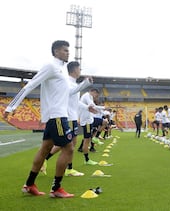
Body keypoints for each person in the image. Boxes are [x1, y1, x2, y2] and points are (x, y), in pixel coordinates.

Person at [3, 40, 74, 197]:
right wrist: (11, 107)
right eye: (64, 50)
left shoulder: (62, 69)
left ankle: (29, 184)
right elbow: (30, 85)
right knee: (68, 148)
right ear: (55, 51)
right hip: (56, 116)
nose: (68, 52)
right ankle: (56, 189)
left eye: (68, 50)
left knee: (45, 149)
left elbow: (64, 93)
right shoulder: (51, 66)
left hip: (55, 116)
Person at [41, 61, 94, 177]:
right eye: (80, 69)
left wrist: (87, 107)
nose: (80, 71)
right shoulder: (67, 82)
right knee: (67, 144)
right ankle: (54, 163)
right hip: (68, 116)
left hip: (73, 117)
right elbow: (70, 93)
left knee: (70, 144)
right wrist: (85, 83)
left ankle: (64, 167)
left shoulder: (74, 84)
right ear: (74, 69)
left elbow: (76, 101)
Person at [78, 88, 105, 165]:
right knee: (86, 140)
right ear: (93, 92)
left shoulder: (88, 97)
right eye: (96, 95)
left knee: (104, 122)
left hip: (90, 120)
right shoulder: (87, 95)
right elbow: (92, 106)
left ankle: (95, 138)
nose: (96, 96)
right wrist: (103, 108)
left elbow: (93, 107)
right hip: (86, 121)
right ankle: (86, 159)